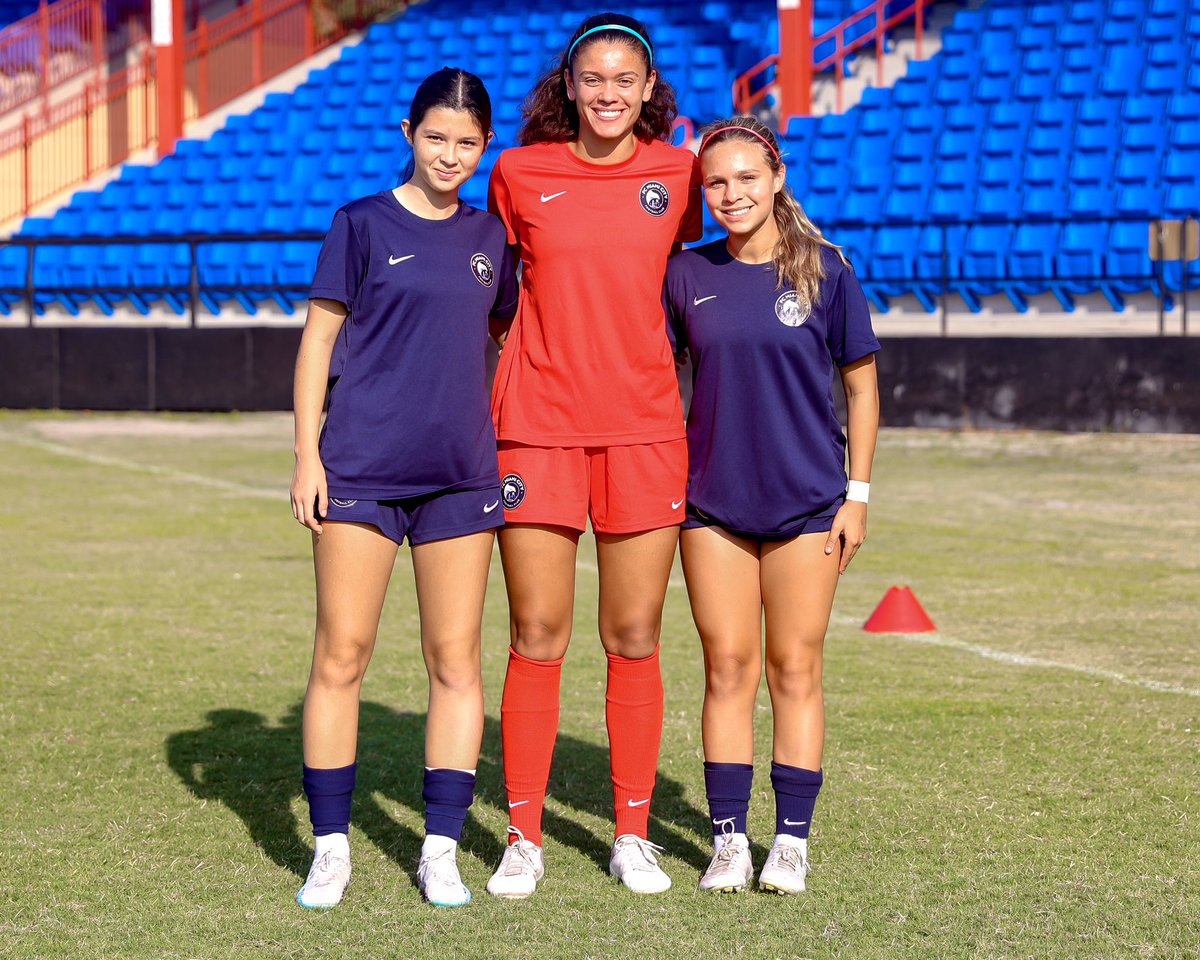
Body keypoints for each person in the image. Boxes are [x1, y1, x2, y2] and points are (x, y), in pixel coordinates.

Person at [482, 12, 702, 897]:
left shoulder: (681, 174)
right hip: (536, 423)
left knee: (635, 634)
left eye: (625, 80)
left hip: (646, 429)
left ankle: (633, 834)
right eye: (593, 78)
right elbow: (488, 287)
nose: (609, 93)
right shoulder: (519, 171)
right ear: (568, 86)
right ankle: (523, 835)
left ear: (648, 89)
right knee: (537, 634)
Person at [289, 67, 518, 910]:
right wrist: (308, 455)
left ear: (484, 146)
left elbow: (504, 334)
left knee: (455, 662)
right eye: (435, 137)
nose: (450, 154)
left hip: (462, 476)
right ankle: (331, 848)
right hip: (360, 469)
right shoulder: (359, 224)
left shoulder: (494, 237)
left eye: (466, 142)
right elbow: (318, 343)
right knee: (340, 655)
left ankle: (441, 849)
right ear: (406, 132)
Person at [662, 116, 880, 895]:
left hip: (810, 505)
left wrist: (857, 495)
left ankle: (790, 843)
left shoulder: (825, 271)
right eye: (716, 183)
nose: (731, 194)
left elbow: (861, 386)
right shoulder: (685, 274)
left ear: (777, 176)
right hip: (712, 506)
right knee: (727, 668)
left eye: (746, 177)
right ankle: (728, 841)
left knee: (796, 668)